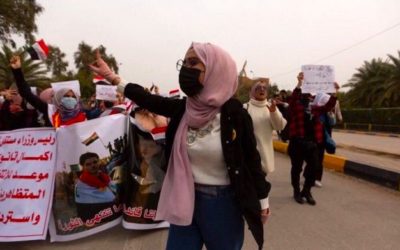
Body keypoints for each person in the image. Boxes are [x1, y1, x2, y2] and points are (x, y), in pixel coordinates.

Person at [89, 43, 271, 250]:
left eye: (193, 63)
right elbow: (148, 99)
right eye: (184, 63)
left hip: (223, 205)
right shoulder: (184, 109)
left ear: (215, 70)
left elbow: (251, 159)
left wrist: (263, 201)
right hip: (184, 198)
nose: (186, 69)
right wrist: (112, 77)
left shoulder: (236, 114)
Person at [288, 72, 337, 205]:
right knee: (296, 168)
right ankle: (296, 191)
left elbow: (328, 107)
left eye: (310, 96)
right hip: (297, 142)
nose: (309, 98)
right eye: (306, 95)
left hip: (312, 143)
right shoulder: (296, 106)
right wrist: (299, 83)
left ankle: (307, 191)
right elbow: (292, 100)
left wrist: (334, 93)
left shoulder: (316, 109)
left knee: (314, 167)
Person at [10, 55, 86, 128]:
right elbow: (26, 93)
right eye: (66, 96)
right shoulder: (50, 111)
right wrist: (17, 71)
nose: (70, 99)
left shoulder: (82, 115)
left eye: (73, 97)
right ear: (58, 98)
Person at [244, 81, 287, 174]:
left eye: (264, 88)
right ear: (252, 91)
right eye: (258, 87)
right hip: (247, 158)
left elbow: (280, 126)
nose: (262, 89)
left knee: (260, 186)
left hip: (263, 158)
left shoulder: (271, 107)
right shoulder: (245, 108)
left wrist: (273, 113)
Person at [75, 152, 116, 222]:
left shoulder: (105, 177)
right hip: (94, 219)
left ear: (98, 162)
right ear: (83, 167)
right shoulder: (81, 185)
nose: (93, 165)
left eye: (95, 162)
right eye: (88, 164)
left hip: (112, 213)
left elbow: (113, 190)